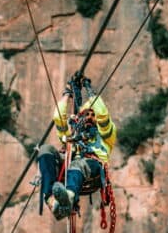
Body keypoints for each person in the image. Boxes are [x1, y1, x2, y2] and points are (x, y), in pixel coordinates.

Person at [37, 77, 117, 220]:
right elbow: (58, 117)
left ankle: (69, 197)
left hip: (93, 169)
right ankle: (52, 201)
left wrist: (89, 90)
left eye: (93, 115)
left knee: (78, 163)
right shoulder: (73, 134)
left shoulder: (106, 134)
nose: (90, 118)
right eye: (86, 114)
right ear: (80, 116)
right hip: (72, 169)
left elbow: (103, 115)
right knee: (45, 150)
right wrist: (67, 93)